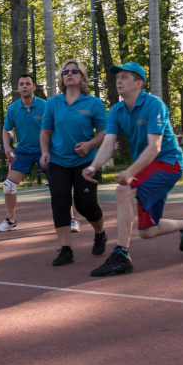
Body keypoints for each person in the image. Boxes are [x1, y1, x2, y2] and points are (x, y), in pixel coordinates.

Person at [81, 62, 183, 277]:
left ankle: (121, 255)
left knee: (123, 191)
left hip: (168, 163)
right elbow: (108, 144)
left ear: (139, 83)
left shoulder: (154, 105)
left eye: (124, 77)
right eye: (117, 77)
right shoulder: (117, 110)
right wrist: (93, 166)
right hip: (148, 166)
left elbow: (154, 147)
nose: (118, 81)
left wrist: (129, 173)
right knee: (148, 231)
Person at [39, 60, 109, 266]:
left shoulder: (93, 103)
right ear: (62, 78)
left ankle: (100, 233)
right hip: (58, 161)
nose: (69, 74)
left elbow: (104, 132)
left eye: (74, 71)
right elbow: (45, 132)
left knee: (85, 204)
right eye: (65, 72)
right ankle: (66, 249)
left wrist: (89, 145)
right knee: (60, 202)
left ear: (82, 76)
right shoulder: (53, 103)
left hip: (85, 161)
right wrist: (44, 152)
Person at [0, 74, 46, 232]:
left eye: (27, 84)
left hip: (44, 151)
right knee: (8, 186)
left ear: (34, 87)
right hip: (23, 152)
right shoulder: (13, 108)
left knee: (60, 184)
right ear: (17, 88)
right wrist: (7, 148)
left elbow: (55, 127)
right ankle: (11, 221)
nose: (24, 86)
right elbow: (6, 129)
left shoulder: (45, 106)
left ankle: (70, 219)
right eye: (21, 84)